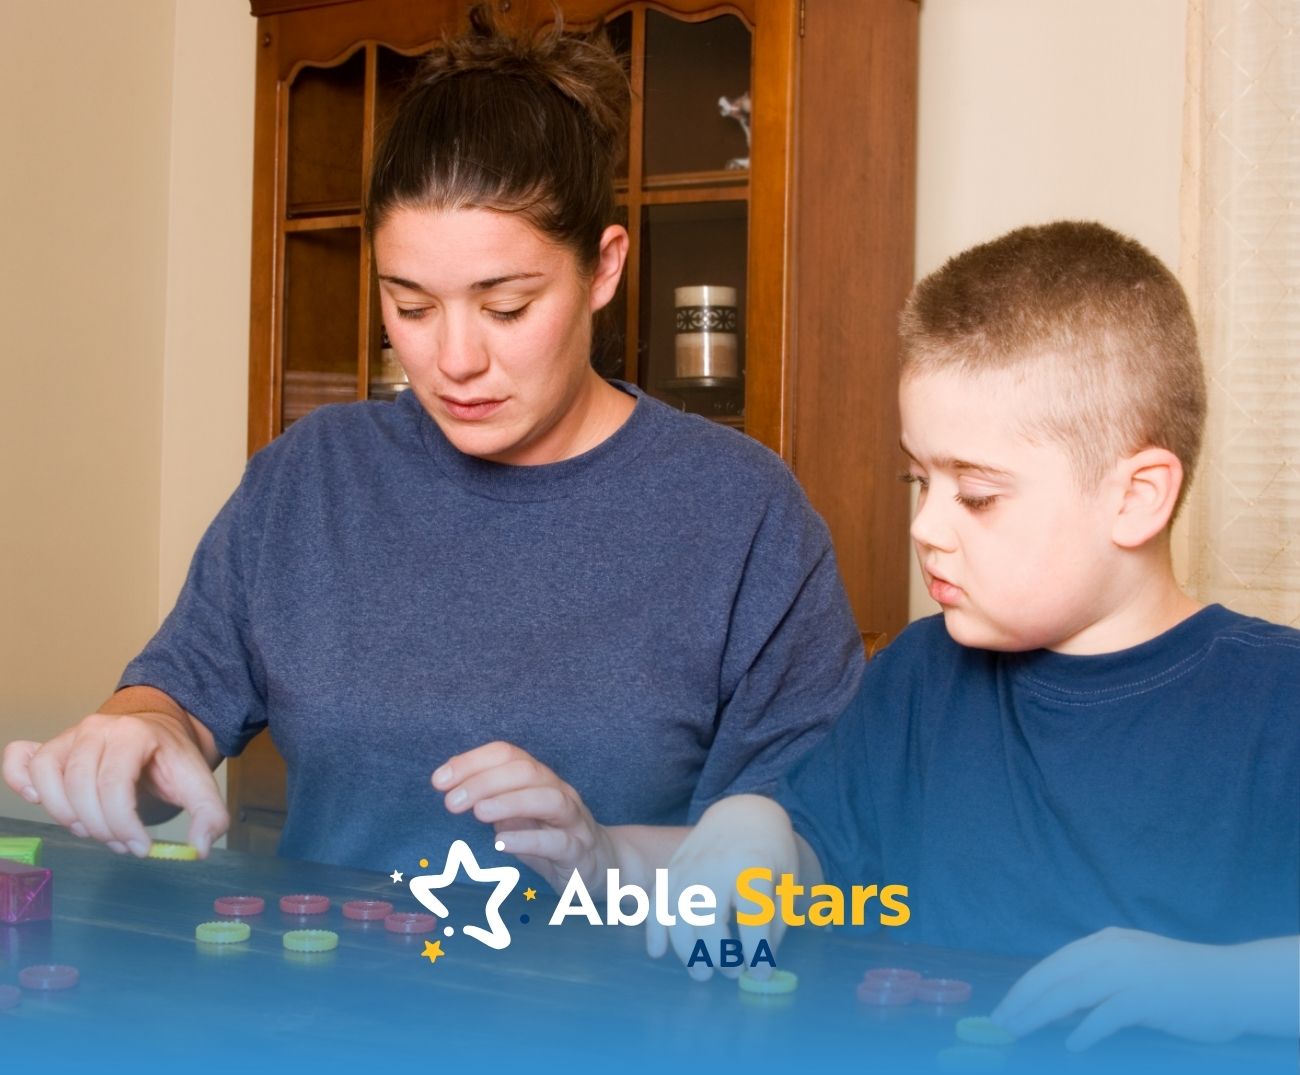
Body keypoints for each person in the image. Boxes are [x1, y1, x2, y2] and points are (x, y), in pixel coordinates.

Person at [1, 7, 864, 876]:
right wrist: (136, 736)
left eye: (506, 307)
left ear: (604, 267)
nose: (453, 360)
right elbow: (176, 699)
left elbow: (812, 859)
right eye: (409, 307)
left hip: (612, 1009)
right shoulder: (315, 476)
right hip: (323, 997)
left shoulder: (741, 513)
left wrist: (610, 860)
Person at [534, 222, 1299, 1049]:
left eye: (976, 494)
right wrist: (760, 829)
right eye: (918, 479)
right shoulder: (919, 677)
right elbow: (825, 866)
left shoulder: (1274, 705)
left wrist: (1233, 985)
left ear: (1138, 496)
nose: (927, 526)